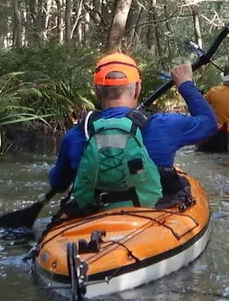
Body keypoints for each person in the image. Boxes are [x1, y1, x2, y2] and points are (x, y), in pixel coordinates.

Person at [48, 52, 217, 215]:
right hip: (150, 219)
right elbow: (209, 124)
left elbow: (58, 184)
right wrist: (185, 83)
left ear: (97, 91)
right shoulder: (164, 125)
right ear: (137, 88)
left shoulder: (75, 136)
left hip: (91, 220)